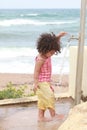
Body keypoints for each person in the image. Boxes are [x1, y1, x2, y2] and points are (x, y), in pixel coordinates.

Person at [33, 32, 67, 122]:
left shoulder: (47, 53)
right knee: (50, 96)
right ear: (45, 49)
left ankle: (41, 117)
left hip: (46, 81)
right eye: (51, 52)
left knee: (43, 99)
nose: (52, 54)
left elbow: (52, 42)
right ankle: (53, 115)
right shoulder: (40, 59)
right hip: (41, 82)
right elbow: (36, 71)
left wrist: (58, 36)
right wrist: (35, 83)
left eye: (53, 52)